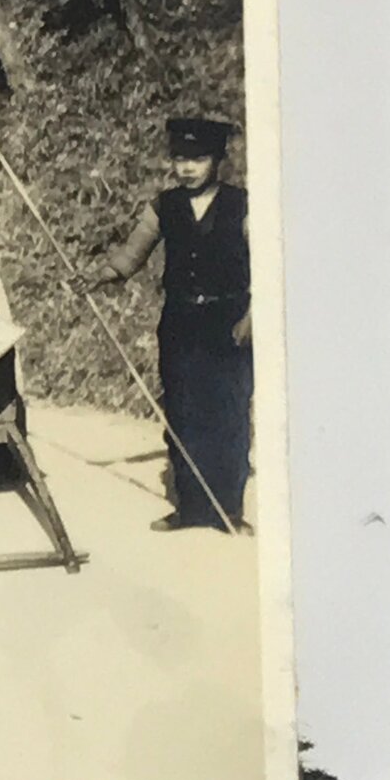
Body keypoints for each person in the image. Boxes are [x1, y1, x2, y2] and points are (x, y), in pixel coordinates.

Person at [94, 117, 253, 533]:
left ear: (217, 160)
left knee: (229, 413)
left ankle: (228, 511)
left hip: (230, 322)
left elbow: (270, 266)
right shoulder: (163, 206)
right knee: (182, 412)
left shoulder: (244, 205)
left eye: (198, 159)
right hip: (180, 323)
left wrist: (252, 319)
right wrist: (100, 275)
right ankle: (188, 508)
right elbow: (132, 254)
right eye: (180, 158)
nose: (187, 168)